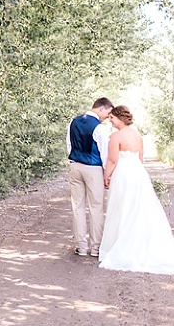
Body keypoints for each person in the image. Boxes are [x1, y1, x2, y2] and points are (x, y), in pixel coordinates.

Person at [98, 105, 174, 274]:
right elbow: (140, 158)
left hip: (124, 174)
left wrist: (106, 176)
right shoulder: (138, 136)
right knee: (139, 209)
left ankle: (118, 246)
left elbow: (112, 160)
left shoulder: (116, 136)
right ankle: (137, 243)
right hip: (138, 174)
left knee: (121, 208)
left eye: (112, 118)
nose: (110, 121)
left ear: (120, 118)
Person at [67, 97, 114, 257]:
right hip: (93, 169)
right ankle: (96, 247)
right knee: (96, 207)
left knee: (77, 206)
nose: (107, 118)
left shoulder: (73, 122)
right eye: (107, 114)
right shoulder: (100, 128)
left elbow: (69, 145)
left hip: (75, 166)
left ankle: (81, 246)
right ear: (101, 108)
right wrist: (107, 174)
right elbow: (104, 153)